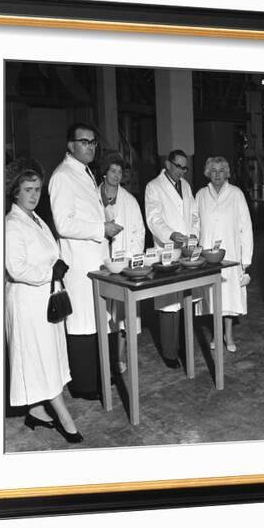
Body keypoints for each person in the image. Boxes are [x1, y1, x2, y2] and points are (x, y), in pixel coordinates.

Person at [5, 168, 83, 443]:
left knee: (47, 356)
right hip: (27, 303)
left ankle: (36, 409)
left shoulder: (36, 218)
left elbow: (48, 253)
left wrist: (56, 265)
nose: (34, 195)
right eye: (28, 189)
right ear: (16, 191)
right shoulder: (12, 223)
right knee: (40, 357)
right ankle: (64, 416)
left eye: (37, 189)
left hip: (45, 300)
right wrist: (50, 272)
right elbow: (16, 268)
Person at [49, 123, 123, 400]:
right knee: (81, 324)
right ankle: (83, 385)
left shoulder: (85, 172)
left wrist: (104, 223)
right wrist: (100, 229)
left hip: (95, 259)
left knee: (97, 321)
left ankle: (98, 377)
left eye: (93, 142)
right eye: (84, 142)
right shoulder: (62, 176)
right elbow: (64, 224)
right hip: (79, 264)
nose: (90, 146)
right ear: (70, 145)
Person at [145, 149, 200, 368]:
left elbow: (194, 214)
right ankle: (169, 353)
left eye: (184, 167)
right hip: (166, 249)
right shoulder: (154, 187)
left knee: (186, 298)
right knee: (169, 304)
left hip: (186, 250)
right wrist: (170, 234)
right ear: (168, 164)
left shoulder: (186, 186)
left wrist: (194, 233)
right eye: (178, 166)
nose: (181, 171)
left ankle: (185, 347)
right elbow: (153, 218)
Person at [195, 156, 253, 352]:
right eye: (213, 170)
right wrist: (194, 249)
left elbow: (246, 226)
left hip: (231, 253)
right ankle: (215, 333)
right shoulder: (201, 194)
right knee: (212, 294)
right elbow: (195, 224)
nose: (217, 175)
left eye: (221, 170)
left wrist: (246, 260)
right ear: (208, 173)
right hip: (207, 254)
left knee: (229, 295)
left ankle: (228, 334)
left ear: (227, 173)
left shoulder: (236, 194)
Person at [99, 151, 146, 373]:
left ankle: (119, 357)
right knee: (101, 313)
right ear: (105, 172)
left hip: (123, 264)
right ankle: (102, 358)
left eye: (120, 172)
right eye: (113, 171)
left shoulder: (129, 200)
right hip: (99, 263)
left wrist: (131, 258)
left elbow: (139, 231)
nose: (117, 176)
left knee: (122, 314)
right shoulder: (91, 196)